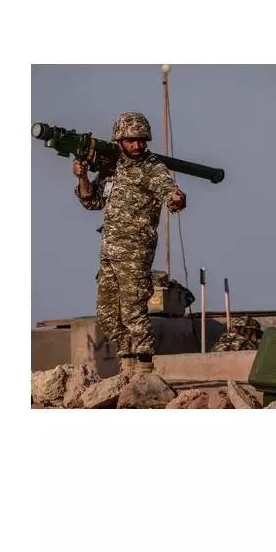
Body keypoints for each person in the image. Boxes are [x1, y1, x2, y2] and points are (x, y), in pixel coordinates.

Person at [74, 112, 186, 374]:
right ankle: (127, 367)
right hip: (109, 252)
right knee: (108, 313)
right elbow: (92, 201)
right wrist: (82, 177)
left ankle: (144, 371)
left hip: (135, 252)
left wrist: (176, 198)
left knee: (133, 310)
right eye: (130, 140)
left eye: (141, 140)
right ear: (119, 140)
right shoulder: (113, 167)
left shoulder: (152, 168)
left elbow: (170, 192)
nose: (137, 145)